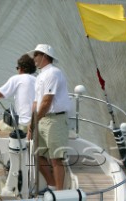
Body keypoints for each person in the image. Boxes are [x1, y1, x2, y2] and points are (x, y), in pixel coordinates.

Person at [27, 44, 71, 191]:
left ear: (44, 56)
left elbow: (47, 101)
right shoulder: (40, 76)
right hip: (42, 119)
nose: (34, 58)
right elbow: (37, 102)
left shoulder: (53, 73)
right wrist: (31, 123)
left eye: (36, 55)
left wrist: (34, 121)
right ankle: (52, 186)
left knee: (56, 158)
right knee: (37, 154)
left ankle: (59, 194)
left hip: (55, 120)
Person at [0, 54, 36, 132]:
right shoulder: (38, 80)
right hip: (35, 124)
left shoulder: (16, 79)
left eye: (17, 68)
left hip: (22, 125)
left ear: (21, 68)